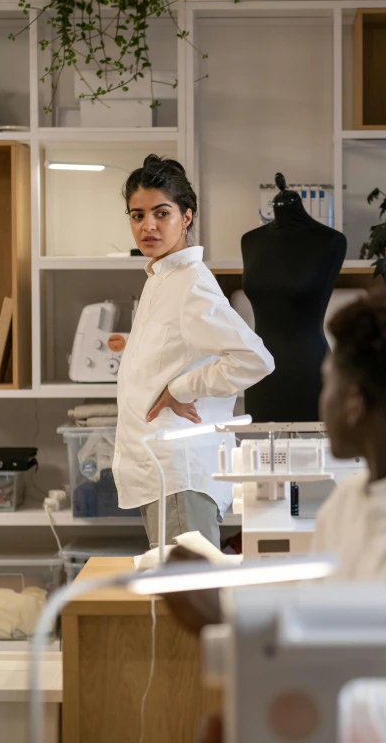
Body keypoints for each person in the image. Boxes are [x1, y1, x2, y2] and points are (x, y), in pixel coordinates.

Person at [168, 286, 386, 742]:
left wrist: (234, 629)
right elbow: (321, 631)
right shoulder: (350, 504)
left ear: (354, 402)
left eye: (327, 382)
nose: (320, 399)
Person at [113, 155, 274, 549]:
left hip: (180, 474)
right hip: (160, 470)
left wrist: (182, 388)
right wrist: (134, 345)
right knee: (177, 601)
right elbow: (179, 346)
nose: (147, 225)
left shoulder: (191, 283)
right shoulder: (161, 276)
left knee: (190, 603)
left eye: (161, 213)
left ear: (186, 216)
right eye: (137, 215)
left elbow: (255, 359)